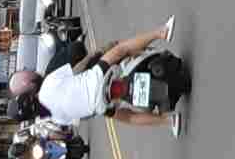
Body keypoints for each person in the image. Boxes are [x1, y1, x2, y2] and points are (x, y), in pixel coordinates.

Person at [10, 17, 182, 135]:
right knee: (121, 49)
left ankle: (168, 121)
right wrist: (95, 54)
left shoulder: (55, 118)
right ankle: (161, 32)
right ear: (29, 93)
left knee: (128, 117)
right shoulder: (48, 83)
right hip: (97, 77)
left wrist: (98, 107)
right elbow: (78, 68)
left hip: (100, 105)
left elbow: (81, 116)